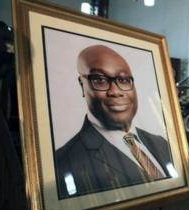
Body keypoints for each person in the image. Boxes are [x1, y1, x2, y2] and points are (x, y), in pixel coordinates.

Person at [55, 45, 172, 199]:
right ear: (82, 84)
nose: (116, 91)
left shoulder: (161, 143)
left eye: (123, 80)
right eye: (100, 80)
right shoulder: (63, 163)